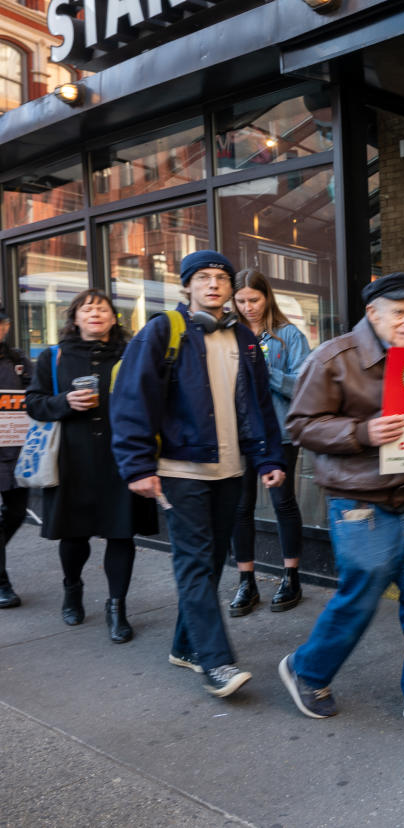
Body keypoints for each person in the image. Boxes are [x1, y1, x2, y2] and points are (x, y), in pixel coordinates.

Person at [278, 272, 404, 731]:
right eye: (399, 312)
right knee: (361, 593)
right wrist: (362, 432)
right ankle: (307, 669)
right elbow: (299, 425)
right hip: (357, 499)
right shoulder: (333, 357)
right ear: (373, 313)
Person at [111, 250, 286, 698]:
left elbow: (261, 407)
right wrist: (137, 466)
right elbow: (133, 398)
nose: (213, 284)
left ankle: (185, 647)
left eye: (221, 278)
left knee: (209, 563)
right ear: (186, 285)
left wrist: (268, 458)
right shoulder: (162, 332)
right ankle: (217, 662)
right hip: (179, 468)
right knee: (193, 561)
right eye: (203, 277)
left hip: (230, 469)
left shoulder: (244, 339)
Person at [26, 290, 158, 641]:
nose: (96, 313)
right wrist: (65, 401)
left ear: (114, 319)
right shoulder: (53, 358)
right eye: (88, 309)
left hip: (121, 458)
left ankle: (117, 607)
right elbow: (34, 404)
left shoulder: (131, 355)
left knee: (121, 533)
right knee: (73, 534)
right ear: (76, 318)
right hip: (73, 459)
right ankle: (72, 589)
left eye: (103, 309)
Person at [228, 268, 310, 615]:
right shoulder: (228, 335)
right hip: (238, 434)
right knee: (240, 507)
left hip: (279, 433)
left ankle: (291, 576)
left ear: (267, 297)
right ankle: (246, 581)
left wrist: (264, 368)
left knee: (283, 503)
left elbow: (304, 386)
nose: (248, 307)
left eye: (255, 299)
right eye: (242, 300)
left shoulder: (288, 335)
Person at [0, 311, 31, 609]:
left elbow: (35, 394)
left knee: (17, 512)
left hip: (15, 451)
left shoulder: (18, 359)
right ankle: (2, 583)